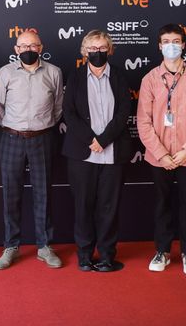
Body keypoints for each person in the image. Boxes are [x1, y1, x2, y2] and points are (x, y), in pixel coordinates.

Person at [137, 24, 186, 275]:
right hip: (159, 158)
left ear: (183, 45)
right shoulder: (149, 79)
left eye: (176, 40)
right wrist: (162, 155)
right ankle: (163, 251)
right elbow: (143, 122)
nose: (171, 45)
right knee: (162, 205)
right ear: (159, 46)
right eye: (166, 41)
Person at [62, 30, 132, 272]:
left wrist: (104, 139)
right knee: (83, 205)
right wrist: (91, 139)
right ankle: (84, 255)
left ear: (110, 50)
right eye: (92, 48)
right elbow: (68, 112)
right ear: (84, 51)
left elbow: (124, 112)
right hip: (82, 153)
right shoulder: (76, 77)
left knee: (108, 207)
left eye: (102, 48)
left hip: (113, 152)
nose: (97, 53)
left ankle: (106, 256)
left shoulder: (120, 76)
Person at [0, 30, 64, 270]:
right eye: (23, 46)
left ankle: (44, 246)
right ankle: (11, 246)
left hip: (42, 139)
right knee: (10, 194)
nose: (28, 50)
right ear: (16, 50)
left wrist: (39, 127)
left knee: (43, 193)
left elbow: (57, 108)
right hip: (11, 137)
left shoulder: (53, 72)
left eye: (33, 45)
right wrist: (14, 127)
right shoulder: (5, 73)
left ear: (41, 47)